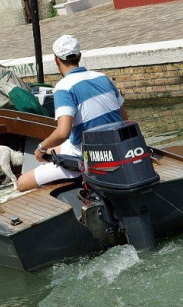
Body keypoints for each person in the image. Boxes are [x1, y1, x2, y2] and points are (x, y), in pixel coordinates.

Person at [17, 35, 128, 192]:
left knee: (21, 182)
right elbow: (124, 118)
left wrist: (41, 147)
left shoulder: (64, 87)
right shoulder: (104, 78)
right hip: (114, 149)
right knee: (51, 151)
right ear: (79, 56)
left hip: (86, 158)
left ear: (56, 60)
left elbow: (63, 132)